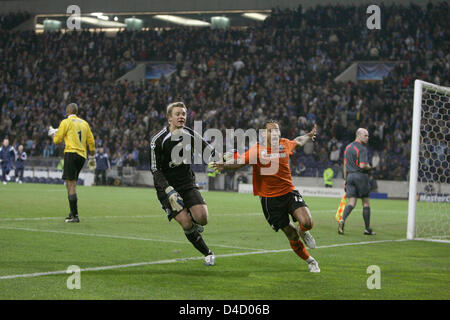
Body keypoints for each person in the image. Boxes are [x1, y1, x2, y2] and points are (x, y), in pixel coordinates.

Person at [213, 120, 320, 273]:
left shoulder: (285, 144)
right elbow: (240, 161)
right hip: (270, 200)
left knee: (307, 222)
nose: (275, 133)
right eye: (271, 130)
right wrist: (225, 165)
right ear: (264, 134)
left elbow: (299, 140)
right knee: (291, 234)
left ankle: (304, 230)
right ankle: (310, 261)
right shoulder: (257, 150)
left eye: (277, 130)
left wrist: (309, 136)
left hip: (289, 192)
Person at [150, 102, 216, 266]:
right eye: (178, 114)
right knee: (186, 222)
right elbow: (155, 169)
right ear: (169, 118)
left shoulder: (190, 134)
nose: (181, 117)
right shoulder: (158, 140)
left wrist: (224, 158)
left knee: (203, 218)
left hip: (187, 183)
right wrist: (168, 190)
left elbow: (208, 151)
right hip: (166, 188)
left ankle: (194, 222)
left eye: (184, 114)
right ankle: (207, 253)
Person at [48, 103, 96, 223]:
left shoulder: (65, 122)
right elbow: (92, 142)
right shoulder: (84, 123)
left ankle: (74, 215)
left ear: (67, 111)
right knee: (71, 183)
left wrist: (53, 134)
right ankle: (72, 213)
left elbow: (57, 140)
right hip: (82, 156)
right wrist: (92, 157)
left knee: (70, 184)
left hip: (71, 153)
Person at [338, 128, 375, 235]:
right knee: (366, 202)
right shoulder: (362, 148)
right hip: (360, 176)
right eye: (366, 135)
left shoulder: (348, 147)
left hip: (350, 176)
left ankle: (342, 220)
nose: (368, 138)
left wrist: (345, 180)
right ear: (358, 135)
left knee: (352, 202)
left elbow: (344, 165)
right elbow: (363, 165)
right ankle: (367, 229)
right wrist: (370, 167)